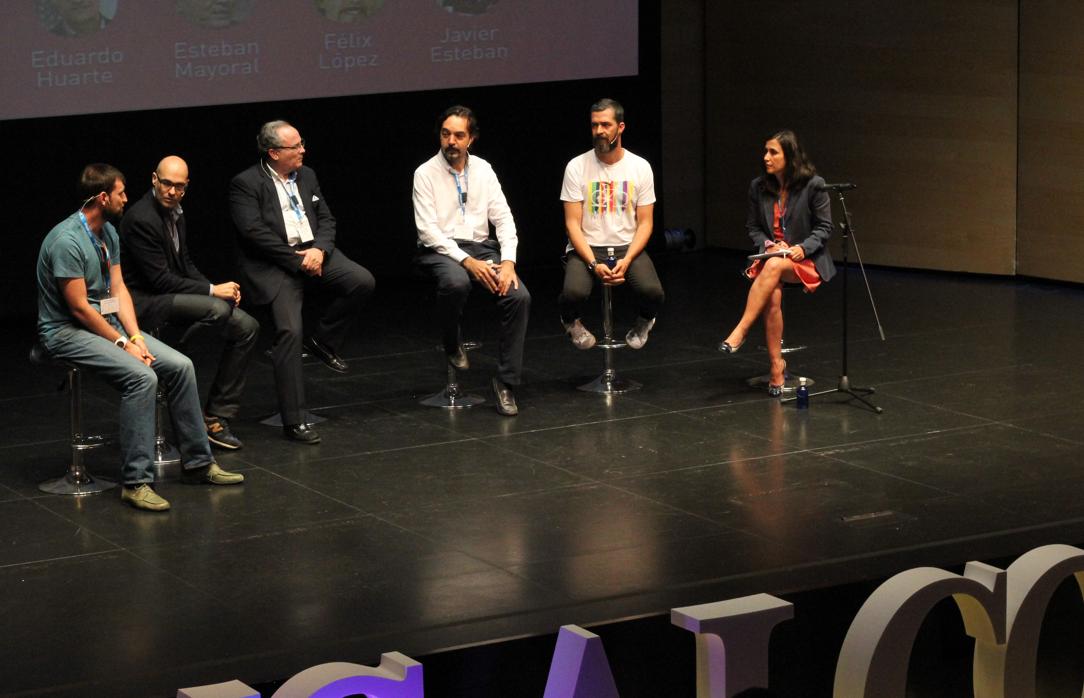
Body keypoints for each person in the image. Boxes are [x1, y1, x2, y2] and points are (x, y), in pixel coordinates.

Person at [35, 164, 244, 512]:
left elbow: (118, 289)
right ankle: (136, 481)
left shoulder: (109, 234)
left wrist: (135, 335)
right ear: (103, 197)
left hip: (106, 322)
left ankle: (197, 463)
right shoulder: (66, 241)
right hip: (64, 331)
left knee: (180, 366)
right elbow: (79, 309)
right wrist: (123, 344)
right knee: (141, 377)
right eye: (121, 193)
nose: (126, 198)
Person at [229, 120, 375, 444]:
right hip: (277, 264)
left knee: (361, 281)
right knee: (289, 332)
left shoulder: (306, 175)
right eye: (296, 147)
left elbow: (326, 218)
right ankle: (294, 420)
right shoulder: (246, 183)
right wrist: (297, 260)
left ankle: (322, 341)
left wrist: (320, 251)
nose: (303, 150)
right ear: (274, 152)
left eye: (301, 143)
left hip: (315, 254)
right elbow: (255, 235)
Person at [119, 155, 260, 450]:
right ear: (154, 180)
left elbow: (185, 265)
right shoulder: (141, 218)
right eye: (167, 184)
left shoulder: (176, 212)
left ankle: (215, 416)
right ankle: (175, 357)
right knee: (217, 308)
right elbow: (160, 281)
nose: (172, 192)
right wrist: (211, 291)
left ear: (186, 187)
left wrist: (215, 288)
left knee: (247, 326)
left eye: (179, 187)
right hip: (145, 302)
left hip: (172, 295)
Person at [413, 105, 530, 416]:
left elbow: (504, 219)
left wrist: (508, 262)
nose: (451, 141)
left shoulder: (484, 170)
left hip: (481, 248)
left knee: (519, 296)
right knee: (456, 281)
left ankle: (506, 383)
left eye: (459, 135)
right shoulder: (425, 173)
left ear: (471, 139)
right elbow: (428, 231)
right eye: (446, 134)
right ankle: (452, 343)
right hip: (439, 250)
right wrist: (467, 261)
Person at [718, 130, 836, 396]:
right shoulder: (759, 186)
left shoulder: (814, 185)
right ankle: (776, 368)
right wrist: (769, 246)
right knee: (772, 294)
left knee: (772, 270)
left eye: (773, 152)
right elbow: (753, 228)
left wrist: (800, 248)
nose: (766, 158)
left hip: (805, 259)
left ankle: (741, 330)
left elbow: (824, 227)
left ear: (790, 156)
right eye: (765, 152)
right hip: (772, 257)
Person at [559, 98, 664, 351]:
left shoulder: (640, 167)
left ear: (621, 127)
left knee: (653, 292)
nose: (599, 131)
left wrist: (627, 260)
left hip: (626, 246)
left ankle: (645, 321)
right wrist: (594, 264)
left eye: (606, 125)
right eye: (595, 125)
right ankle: (570, 321)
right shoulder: (576, 166)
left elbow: (646, 223)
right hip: (587, 247)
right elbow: (572, 224)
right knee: (573, 293)